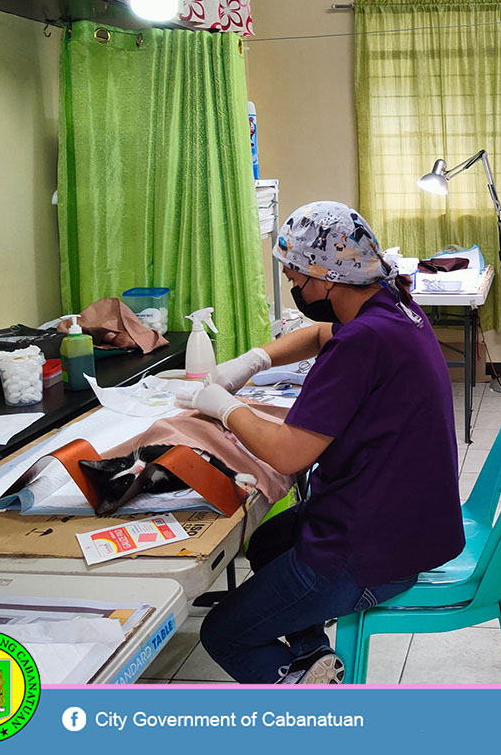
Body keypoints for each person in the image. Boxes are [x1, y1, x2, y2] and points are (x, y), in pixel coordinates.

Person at [175, 201, 464, 684]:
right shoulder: (392, 310)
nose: (293, 287)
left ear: (325, 278)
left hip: (373, 548)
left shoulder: (363, 343)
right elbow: (317, 335)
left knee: (225, 633)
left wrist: (223, 406)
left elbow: (289, 452)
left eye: (295, 277)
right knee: (268, 542)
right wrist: (251, 361)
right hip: (407, 520)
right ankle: (312, 659)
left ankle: (318, 710)